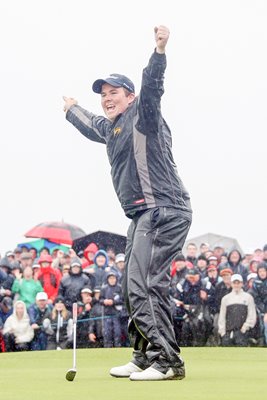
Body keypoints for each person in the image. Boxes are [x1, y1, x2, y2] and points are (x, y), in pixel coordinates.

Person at [63, 25, 192, 381]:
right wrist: (71, 109)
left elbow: (152, 86)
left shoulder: (144, 113)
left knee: (145, 283)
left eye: (114, 92)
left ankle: (168, 362)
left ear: (130, 96)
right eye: (103, 94)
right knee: (130, 284)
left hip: (164, 209)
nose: (107, 98)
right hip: (141, 214)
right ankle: (144, 355)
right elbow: (93, 125)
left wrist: (159, 52)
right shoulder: (113, 128)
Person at [218, 274, 256, 346]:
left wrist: (245, 327)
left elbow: (251, 315)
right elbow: (222, 316)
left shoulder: (248, 297)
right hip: (228, 332)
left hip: (242, 332)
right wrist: (222, 332)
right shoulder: (226, 298)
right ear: (231, 284)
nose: (236, 285)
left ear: (242, 284)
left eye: (238, 283)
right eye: (234, 283)